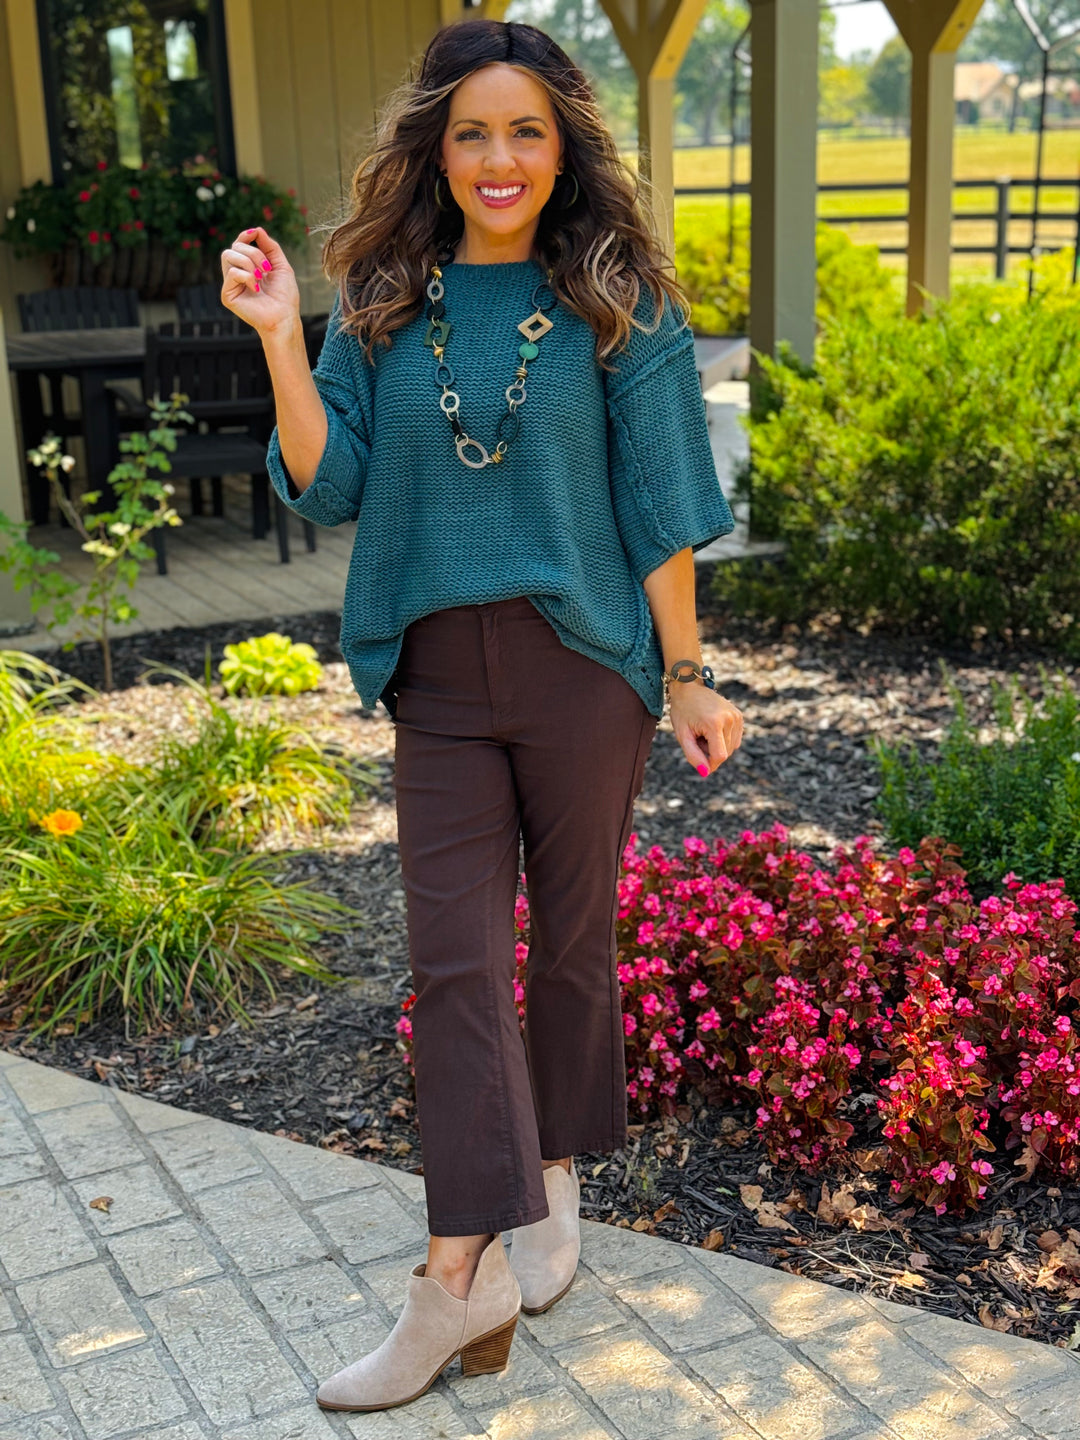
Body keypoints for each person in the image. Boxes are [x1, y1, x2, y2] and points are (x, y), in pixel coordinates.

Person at [219, 16, 743, 1416]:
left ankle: (552, 1169)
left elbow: (664, 509)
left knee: (570, 942)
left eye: (524, 129)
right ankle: (457, 1283)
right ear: (433, 151)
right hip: (439, 678)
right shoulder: (386, 294)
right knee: (456, 961)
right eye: (471, 133)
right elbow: (327, 486)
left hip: (586, 670)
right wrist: (281, 338)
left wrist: (685, 678)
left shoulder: (613, 294)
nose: (498, 157)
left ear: (562, 142)